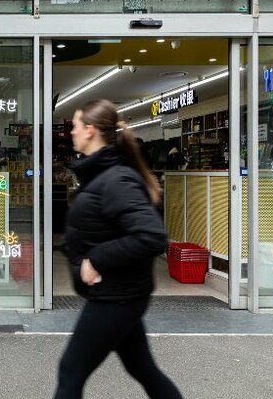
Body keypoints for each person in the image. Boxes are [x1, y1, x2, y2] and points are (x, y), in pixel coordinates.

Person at [54, 99, 183, 399]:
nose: (70, 132)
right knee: (143, 369)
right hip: (121, 294)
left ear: (90, 130)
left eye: (73, 126)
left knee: (70, 372)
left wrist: (95, 259)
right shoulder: (102, 174)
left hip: (115, 297)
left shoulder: (116, 179)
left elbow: (151, 235)